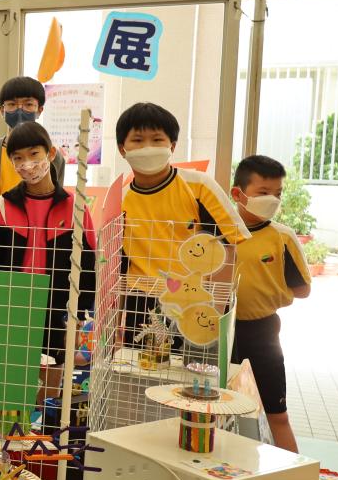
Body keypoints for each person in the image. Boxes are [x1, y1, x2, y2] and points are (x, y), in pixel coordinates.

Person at [0, 121, 97, 392]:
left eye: (33, 154)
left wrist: (79, 316)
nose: (27, 164)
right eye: (18, 158)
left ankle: (42, 420)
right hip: (10, 309)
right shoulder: (1, 206)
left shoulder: (75, 208)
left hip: (55, 311)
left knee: (48, 392)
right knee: (1, 392)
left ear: (50, 153)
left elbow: (88, 265)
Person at [229, 155, 312, 453]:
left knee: (277, 413)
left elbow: (303, 290)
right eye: (263, 192)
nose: (272, 200)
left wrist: (269, 287)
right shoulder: (217, 231)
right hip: (220, 332)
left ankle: (293, 476)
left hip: (263, 332)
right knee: (217, 408)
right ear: (238, 193)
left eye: (277, 194)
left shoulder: (282, 237)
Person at [116, 102, 248, 280]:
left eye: (157, 140)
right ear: (122, 149)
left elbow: (228, 246)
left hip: (192, 292)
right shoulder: (120, 199)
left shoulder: (200, 186)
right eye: (138, 140)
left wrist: (215, 298)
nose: (148, 147)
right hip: (138, 293)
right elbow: (116, 260)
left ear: (172, 146)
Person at [0, 76, 65, 216]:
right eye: (12, 104)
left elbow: (57, 204)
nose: (20, 110)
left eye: (28, 104)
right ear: (2, 110)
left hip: (39, 227)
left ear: (40, 110)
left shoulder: (53, 156)